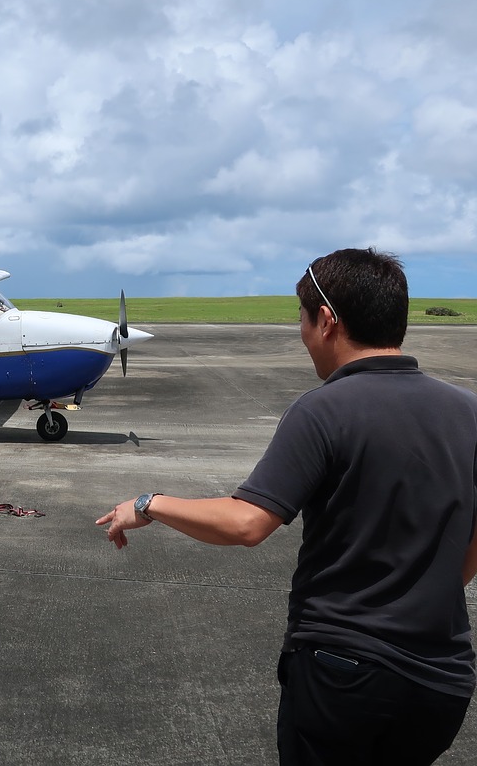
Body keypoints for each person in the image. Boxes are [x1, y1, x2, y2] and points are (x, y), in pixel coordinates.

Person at [96, 248, 477, 766]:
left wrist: (148, 503)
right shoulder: (468, 411)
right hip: (441, 682)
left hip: (344, 673)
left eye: (301, 317)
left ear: (326, 321)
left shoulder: (324, 408)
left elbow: (247, 522)